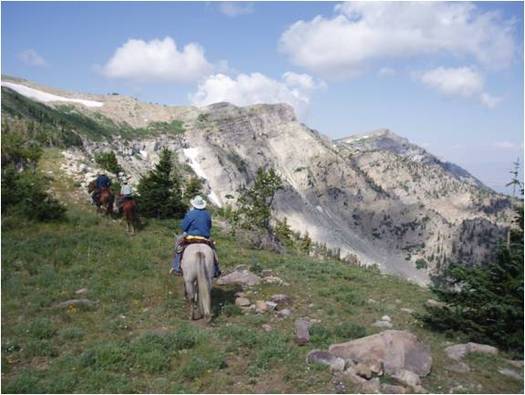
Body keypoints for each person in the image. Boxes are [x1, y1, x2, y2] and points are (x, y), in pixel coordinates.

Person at [171, 195, 221, 277]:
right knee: (213, 249)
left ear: (194, 205)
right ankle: (216, 269)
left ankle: (176, 267)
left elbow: (183, 227)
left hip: (191, 238)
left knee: (178, 248)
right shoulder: (207, 215)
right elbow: (209, 226)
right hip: (205, 238)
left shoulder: (190, 214)